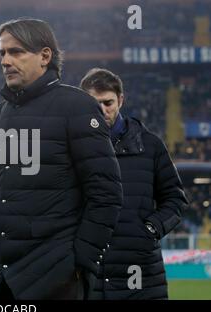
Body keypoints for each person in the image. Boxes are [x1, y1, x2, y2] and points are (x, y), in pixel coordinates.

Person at [0, 18, 123, 300]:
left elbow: (107, 193)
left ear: (45, 56)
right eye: (2, 53)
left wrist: (80, 263)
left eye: (16, 52)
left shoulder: (77, 106)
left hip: (56, 279)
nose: (5, 60)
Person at [80, 68, 188, 299]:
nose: (102, 110)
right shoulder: (71, 147)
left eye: (108, 102)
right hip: (89, 275)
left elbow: (175, 200)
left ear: (120, 100)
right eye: (94, 103)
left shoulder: (150, 146)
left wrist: (149, 230)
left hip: (142, 276)